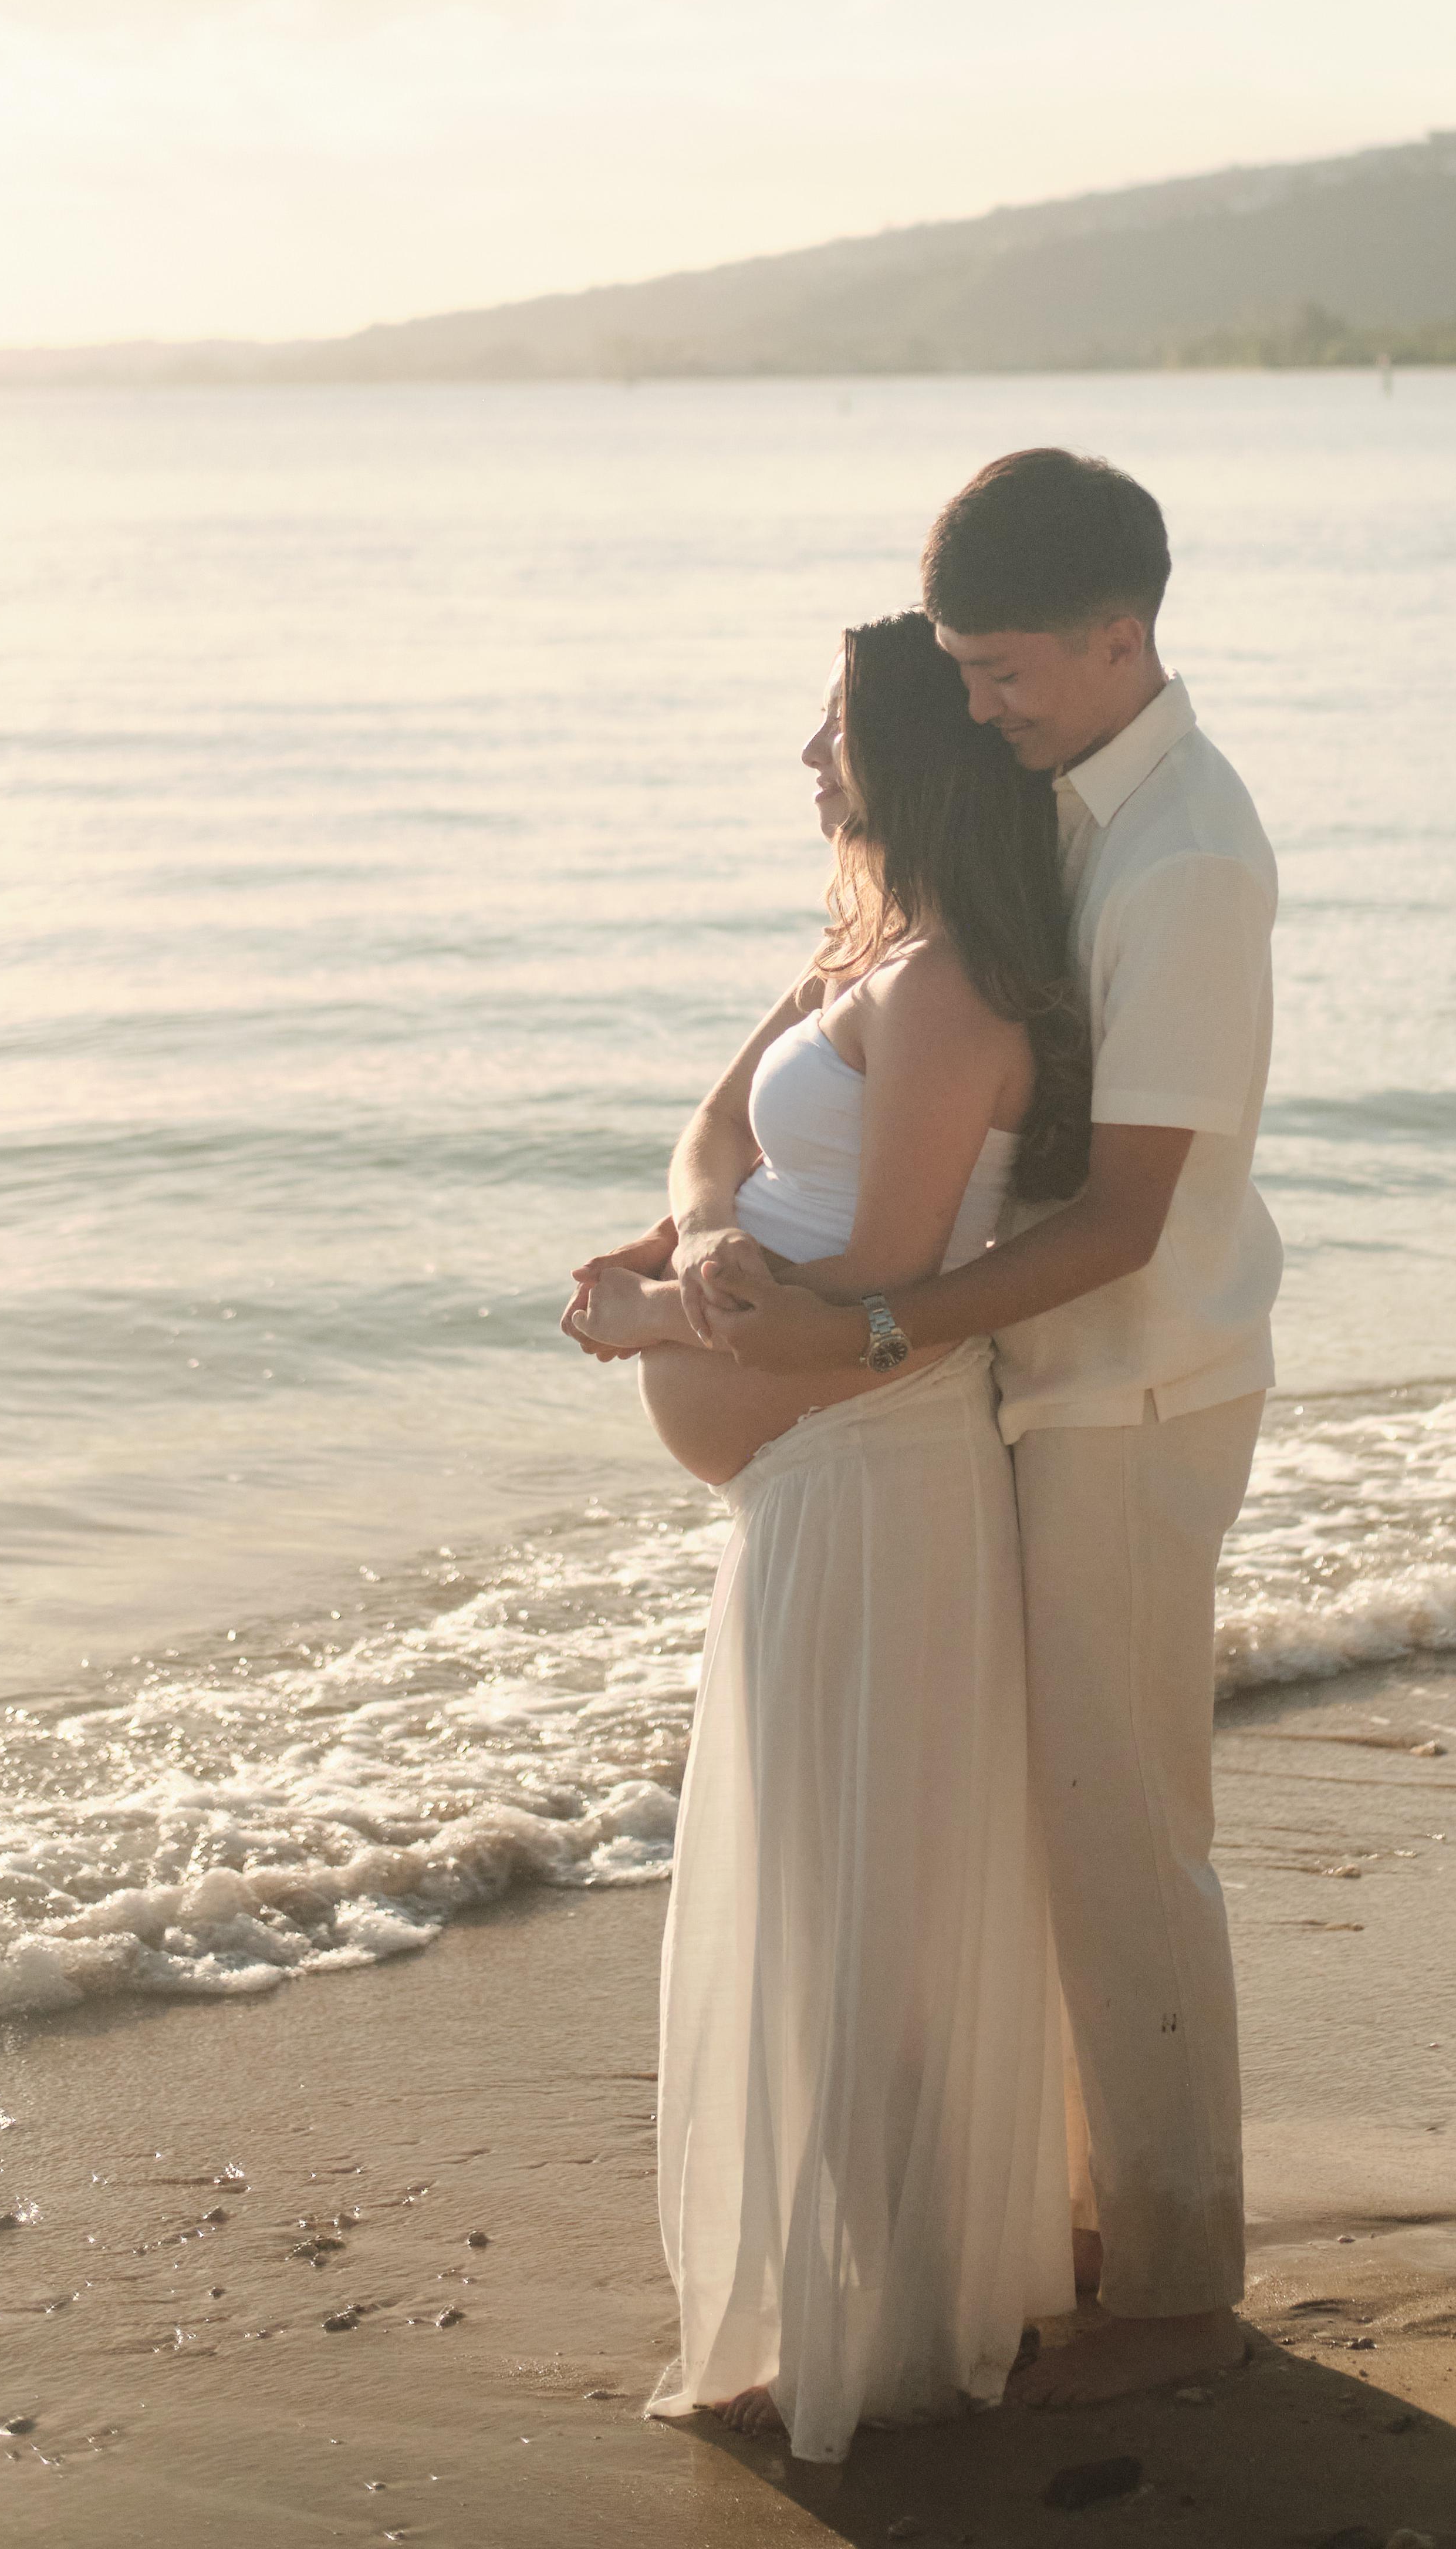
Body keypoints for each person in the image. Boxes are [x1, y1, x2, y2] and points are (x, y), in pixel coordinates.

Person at [697, 450, 1281, 2409]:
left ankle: (1178, 2259)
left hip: (1128, 1385)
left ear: (1122, 635)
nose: (982, 706)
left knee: (1122, 1826)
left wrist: (862, 1325)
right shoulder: (1047, 810)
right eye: (959, 669)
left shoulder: (1183, 852)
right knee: (1017, 1819)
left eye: (1009, 670)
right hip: (1022, 1384)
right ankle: (1039, 2213)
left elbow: (1123, 1216)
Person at [563, 611, 1079, 2462]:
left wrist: (654, 1321)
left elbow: (881, 1294)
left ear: (914, 753)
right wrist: (694, 1243)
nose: (806, 758)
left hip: (876, 1480)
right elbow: (712, 1131)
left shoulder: (951, 996)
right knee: (815, 1884)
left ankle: (881, 2325)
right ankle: (838, 2291)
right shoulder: (869, 947)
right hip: (802, 1489)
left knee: (859, 1910)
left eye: (834, 729)